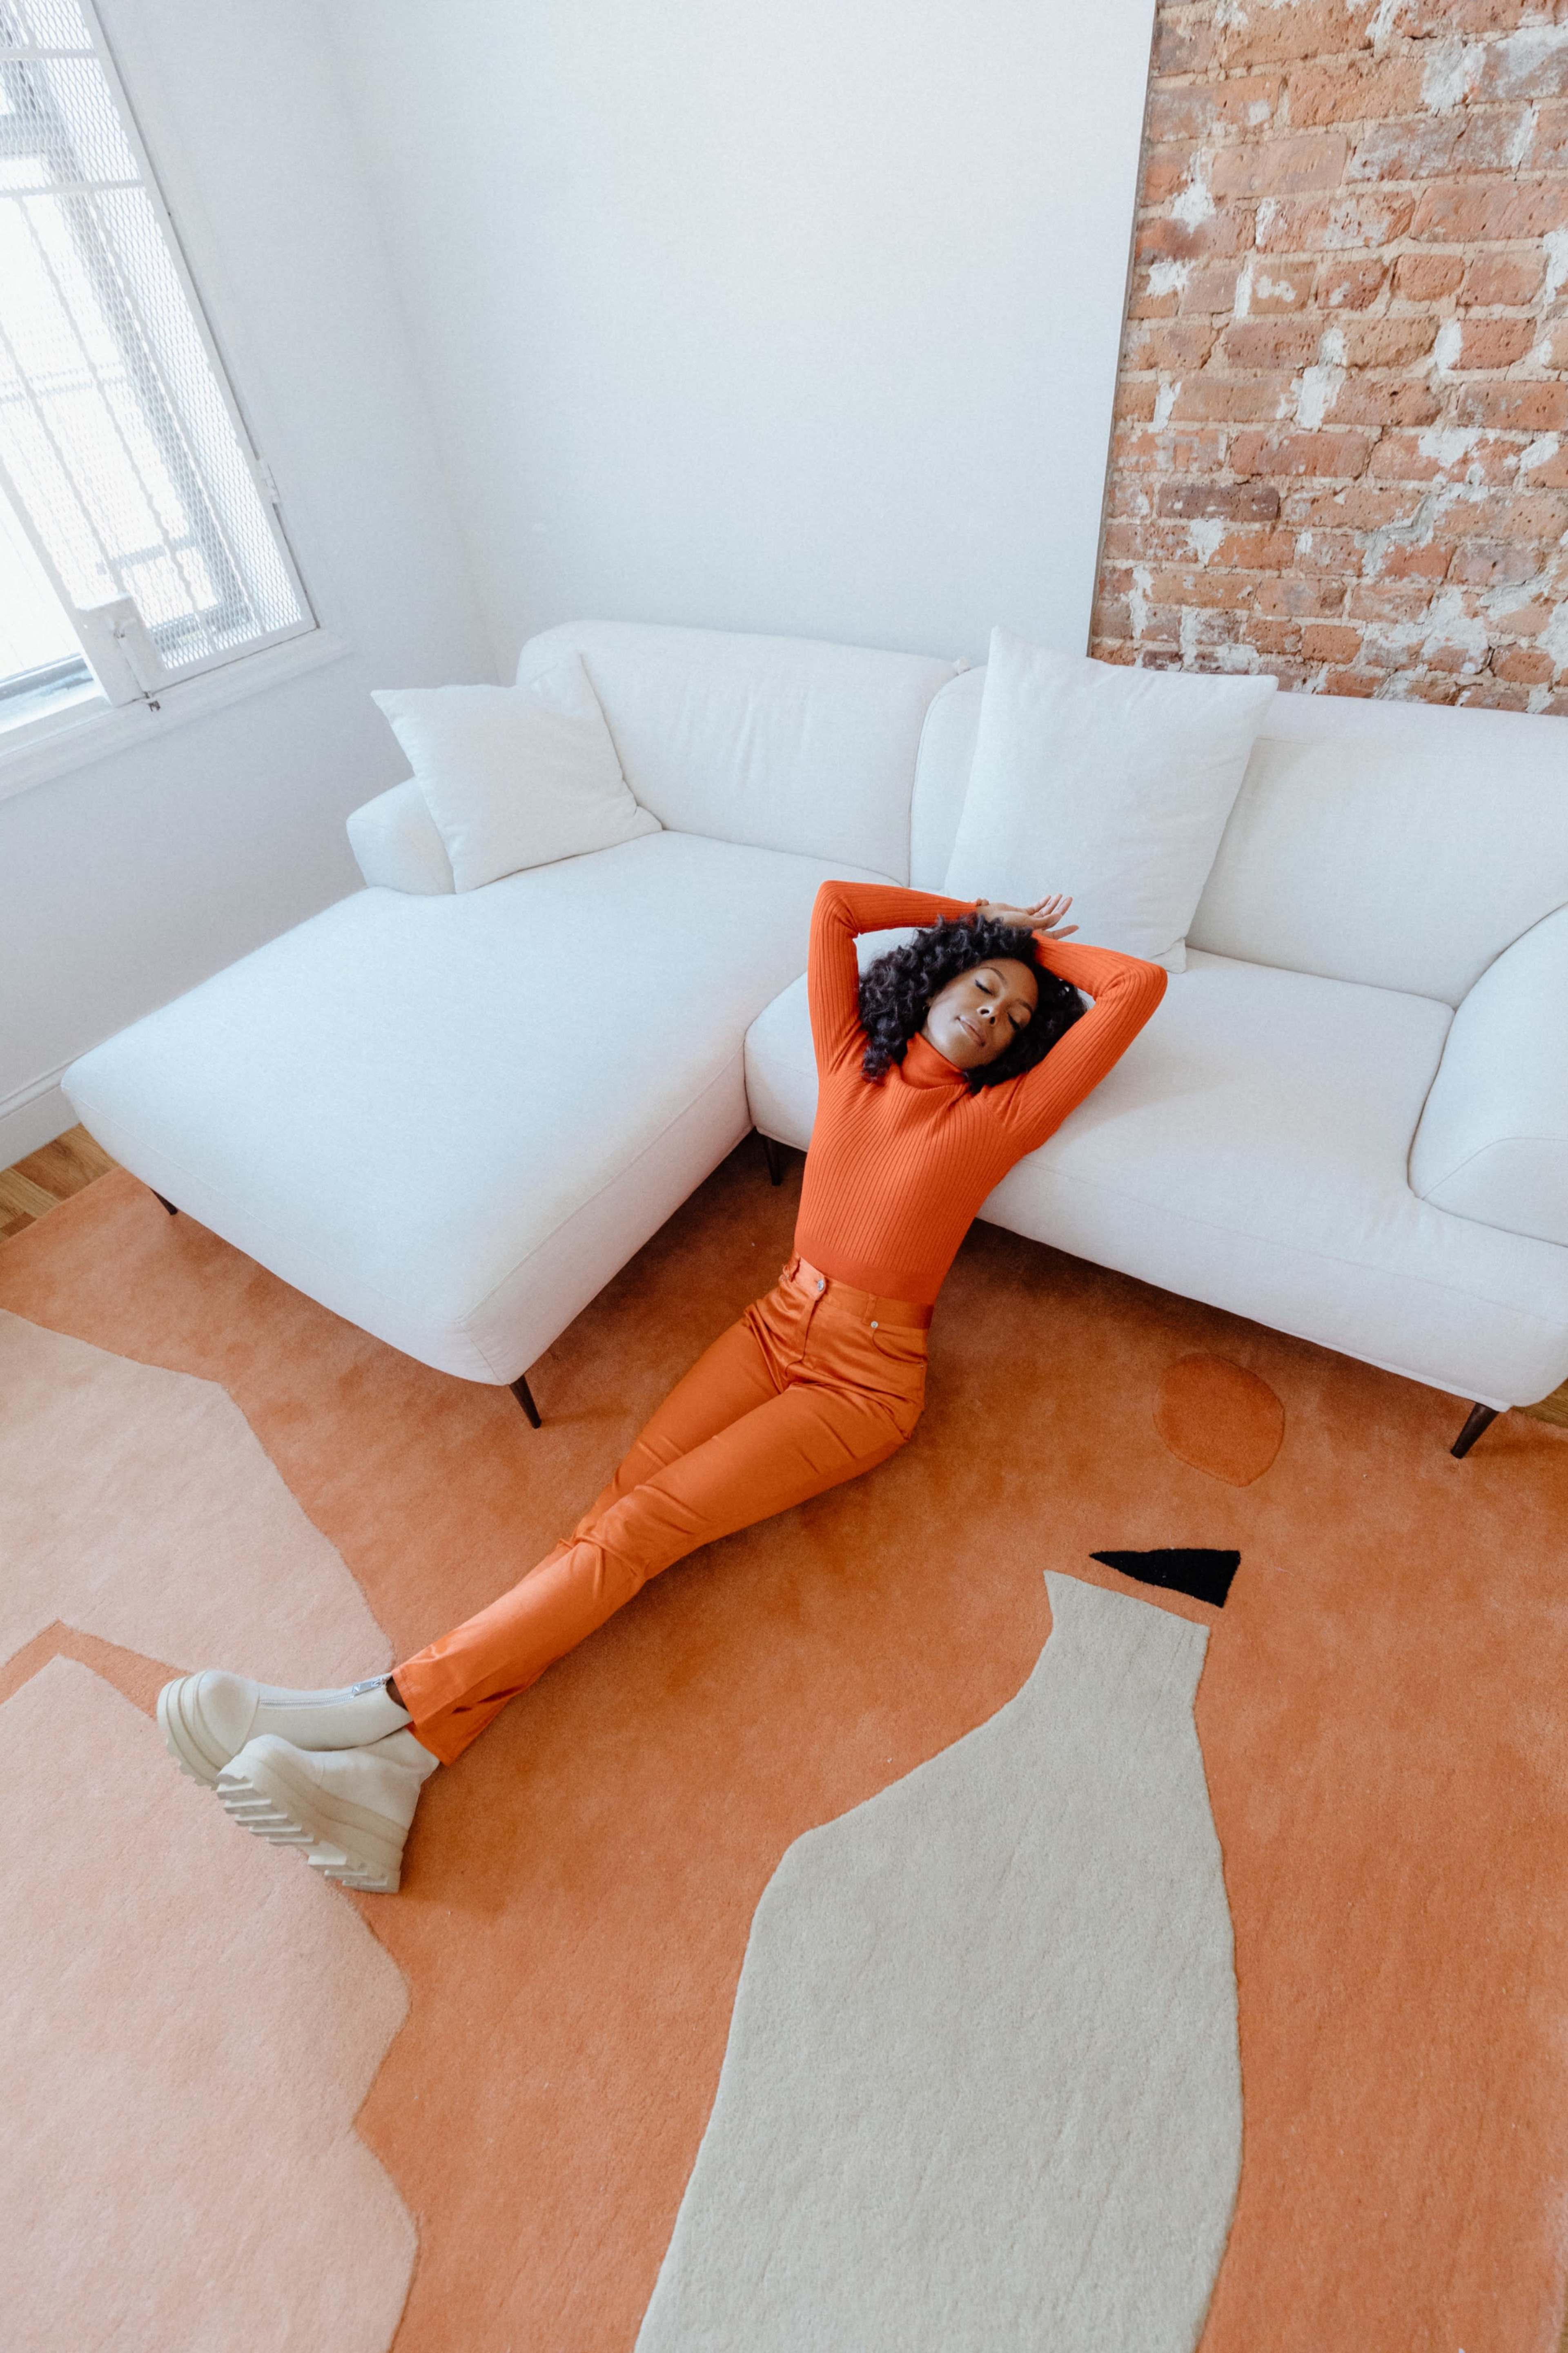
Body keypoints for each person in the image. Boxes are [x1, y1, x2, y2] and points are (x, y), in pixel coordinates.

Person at [158, 883, 1167, 1890]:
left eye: (1015, 1020)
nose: (995, 1014)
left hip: (863, 1386)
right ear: (941, 977)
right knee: (611, 1513)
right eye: (985, 987)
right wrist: (992, 926)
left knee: (645, 1529)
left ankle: (379, 1702)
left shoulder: (998, 1118)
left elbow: (1137, 984)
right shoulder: (848, 1065)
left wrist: (1026, 958)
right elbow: (831, 911)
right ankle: (405, 1767)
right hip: (771, 1327)